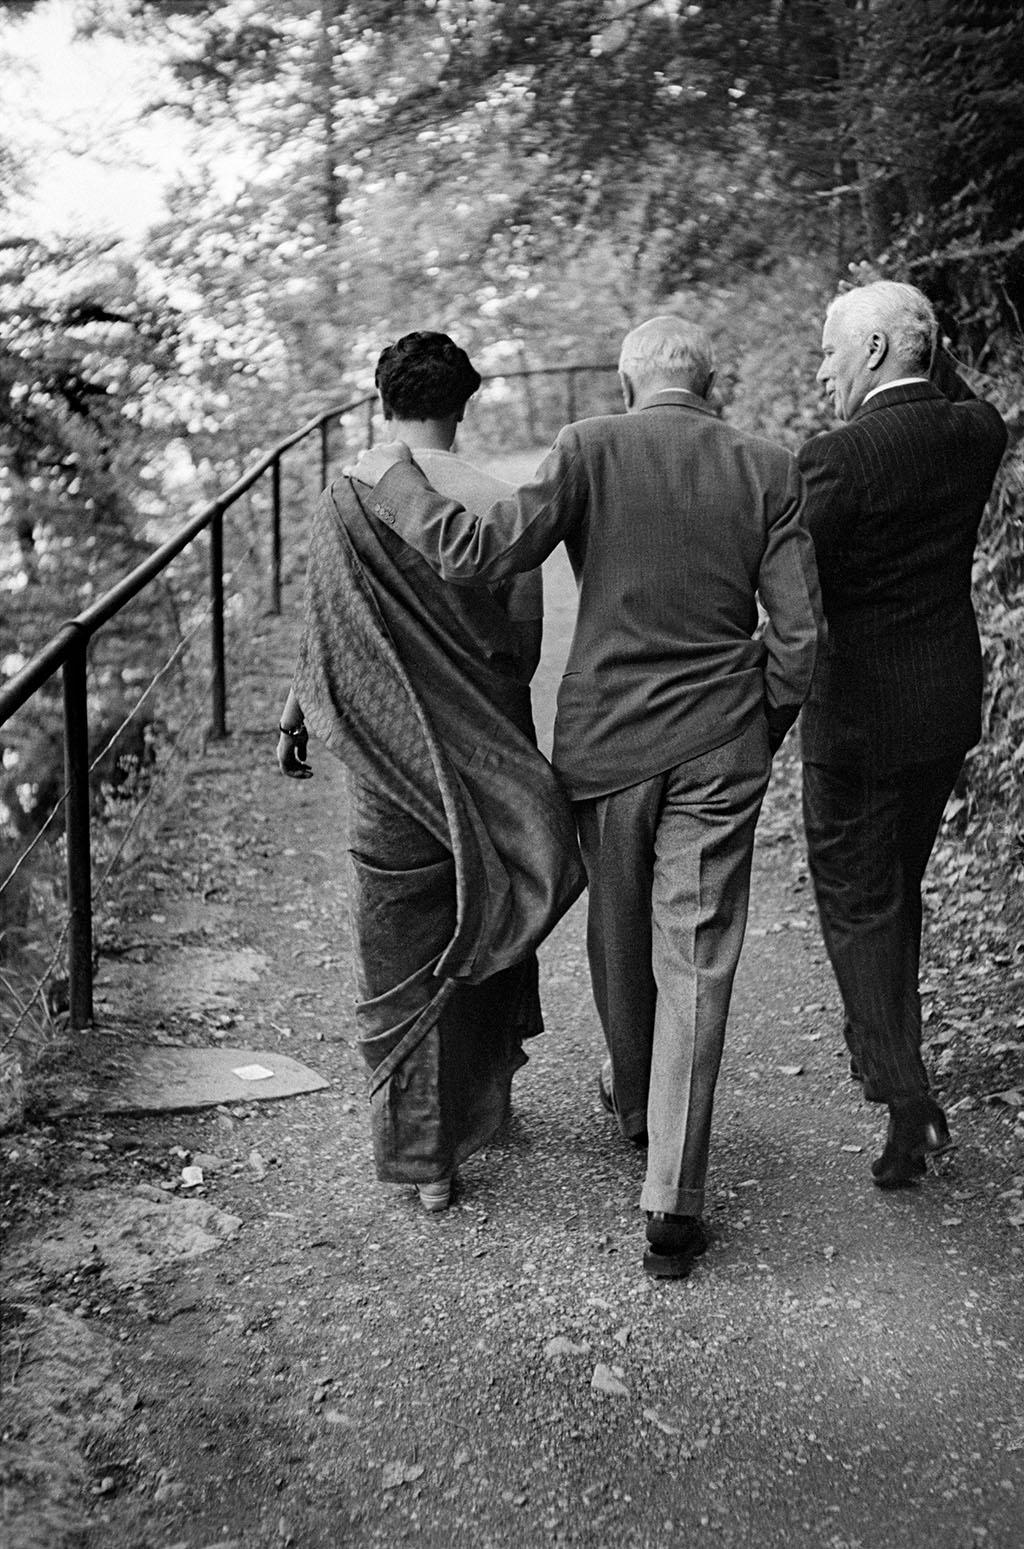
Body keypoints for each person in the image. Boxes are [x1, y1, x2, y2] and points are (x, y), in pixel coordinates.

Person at [350, 316, 823, 1277]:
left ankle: (637, 1097)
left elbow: (485, 553)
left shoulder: (589, 447)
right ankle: (671, 1195)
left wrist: (397, 475)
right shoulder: (770, 466)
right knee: (696, 954)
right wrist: (757, 726)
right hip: (721, 745)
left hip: (608, 746)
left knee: (618, 938)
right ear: (712, 382)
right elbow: (802, 635)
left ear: (623, 380)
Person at [278, 331, 584, 1212]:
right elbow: (520, 652)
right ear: (465, 403)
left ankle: (427, 1161)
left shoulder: (342, 502)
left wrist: (302, 707)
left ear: (381, 402)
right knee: (480, 913)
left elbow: (326, 627)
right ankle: (486, 1102)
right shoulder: (494, 502)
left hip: (383, 767)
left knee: (398, 951)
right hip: (483, 755)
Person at [798, 280, 1008, 1188]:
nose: (821, 371)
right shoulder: (975, 432)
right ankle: (890, 1056)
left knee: (857, 898)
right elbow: (952, 387)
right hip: (943, 705)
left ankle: (903, 1094)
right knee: (895, 887)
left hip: (854, 719)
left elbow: (793, 586)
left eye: (832, 351)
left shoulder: (835, 460)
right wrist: (922, 332)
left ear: (876, 352)